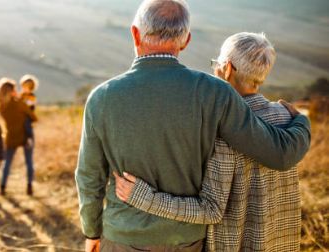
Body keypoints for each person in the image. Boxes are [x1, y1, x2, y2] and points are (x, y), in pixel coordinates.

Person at [74, 0, 311, 251]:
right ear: (186, 40)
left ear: (135, 33)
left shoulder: (102, 97)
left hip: (124, 236)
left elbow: (89, 177)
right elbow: (278, 153)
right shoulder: (214, 92)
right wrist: (301, 122)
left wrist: (92, 231)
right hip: (187, 240)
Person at [0, 78, 38, 196]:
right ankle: (29, 186)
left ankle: (2, 187)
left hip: (11, 136)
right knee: (29, 162)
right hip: (25, 135)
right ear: (11, 91)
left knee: (7, 163)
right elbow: (33, 117)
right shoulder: (19, 103)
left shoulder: (1, 106)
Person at [19, 74, 39, 148]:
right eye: (23, 87)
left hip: (28, 115)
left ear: (31, 88)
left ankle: (29, 138)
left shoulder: (32, 96)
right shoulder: (22, 95)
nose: (25, 89)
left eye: (27, 87)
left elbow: (28, 105)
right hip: (22, 115)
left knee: (27, 124)